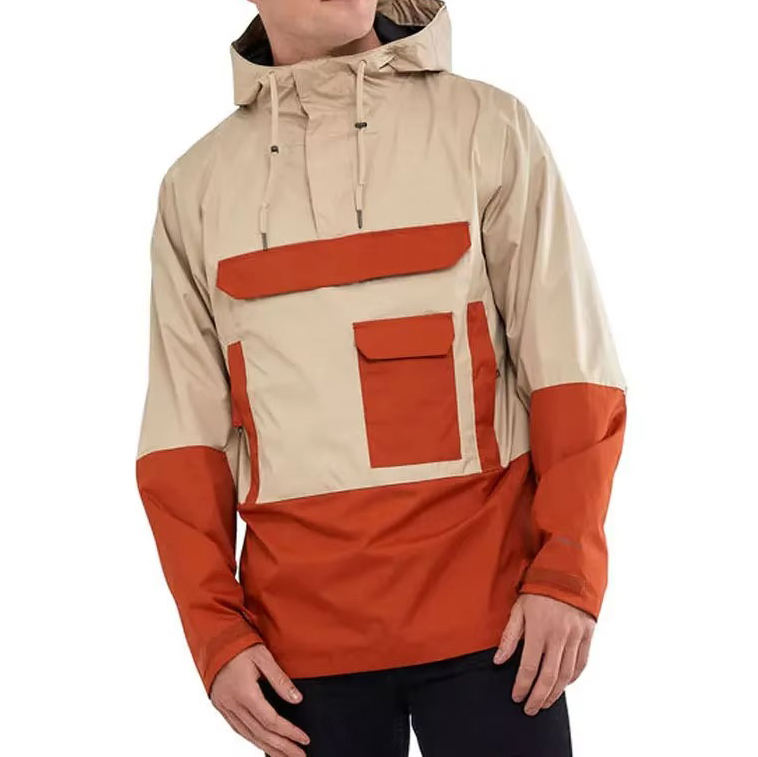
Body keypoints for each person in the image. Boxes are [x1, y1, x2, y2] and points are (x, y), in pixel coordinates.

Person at [136, 1, 627, 754]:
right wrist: (214, 634)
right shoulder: (196, 188)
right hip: (299, 659)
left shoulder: (487, 129)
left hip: (499, 631)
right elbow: (181, 437)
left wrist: (568, 572)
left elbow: (573, 373)